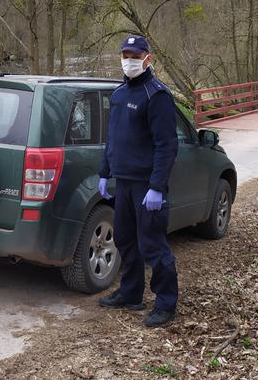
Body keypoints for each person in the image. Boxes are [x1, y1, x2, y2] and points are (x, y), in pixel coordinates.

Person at [98, 35, 179, 327]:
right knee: (124, 240)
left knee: (153, 245)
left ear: (148, 58)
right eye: (125, 54)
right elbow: (113, 138)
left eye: (135, 55)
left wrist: (157, 186)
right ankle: (131, 294)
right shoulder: (119, 94)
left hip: (147, 186)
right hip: (124, 182)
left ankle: (166, 303)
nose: (129, 60)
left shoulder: (156, 95)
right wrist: (104, 171)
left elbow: (166, 145)